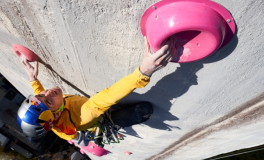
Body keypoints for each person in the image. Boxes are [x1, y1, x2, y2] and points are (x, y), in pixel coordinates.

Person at [20, 37, 175, 141]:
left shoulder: (47, 112)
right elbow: (106, 97)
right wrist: (143, 73)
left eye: (40, 95)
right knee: (144, 109)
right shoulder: (82, 115)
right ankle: (112, 122)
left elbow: (40, 100)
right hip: (95, 120)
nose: (47, 92)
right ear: (58, 113)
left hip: (75, 126)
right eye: (47, 100)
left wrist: (33, 79)